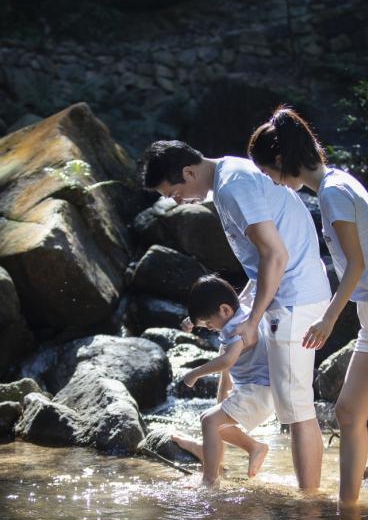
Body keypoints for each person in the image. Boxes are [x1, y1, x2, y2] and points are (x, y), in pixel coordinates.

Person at [247, 107, 368, 509]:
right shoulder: (335, 184)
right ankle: (347, 508)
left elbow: (356, 263)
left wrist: (326, 319)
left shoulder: (334, 193)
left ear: (282, 162)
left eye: (268, 172)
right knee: (350, 412)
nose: (270, 180)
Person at [139, 141, 331, 491]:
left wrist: (252, 320)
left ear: (188, 172)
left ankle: (310, 509)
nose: (177, 201)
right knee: (285, 402)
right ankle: (221, 452)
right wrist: (246, 310)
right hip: (289, 296)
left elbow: (275, 254)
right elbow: (262, 266)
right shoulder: (229, 177)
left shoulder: (233, 186)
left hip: (294, 300)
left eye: (175, 193)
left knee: (298, 410)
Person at [172, 274, 272, 485]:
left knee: (209, 421)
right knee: (213, 421)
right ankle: (228, 449)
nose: (210, 328)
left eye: (209, 323)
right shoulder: (242, 312)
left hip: (258, 392)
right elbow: (247, 291)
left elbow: (227, 360)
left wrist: (194, 373)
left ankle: (210, 480)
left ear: (225, 310)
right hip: (256, 388)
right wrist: (194, 321)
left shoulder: (236, 330)